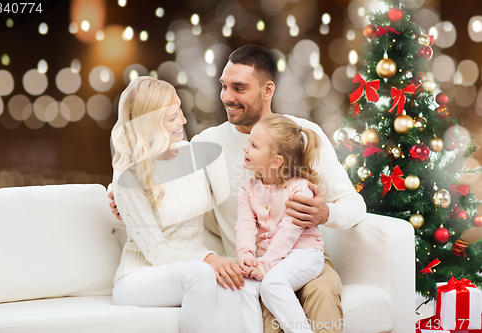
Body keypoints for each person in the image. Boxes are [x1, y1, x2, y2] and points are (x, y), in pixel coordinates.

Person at [110, 45, 366, 333]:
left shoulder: (303, 134)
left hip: (303, 256)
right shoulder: (206, 145)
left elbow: (354, 205)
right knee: (269, 312)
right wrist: (121, 193)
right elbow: (159, 173)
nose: (227, 97)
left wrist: (325, 212)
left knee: (322, 295)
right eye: (224, 86)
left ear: (267, 90)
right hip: (251, 267)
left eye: (239, 88)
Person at [109, 76, 244, 333]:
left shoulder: (190, 154)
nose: (183, 120)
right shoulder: (128, 175)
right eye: (172, 117)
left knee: (235, 280)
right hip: (140, 275)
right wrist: (208, 258)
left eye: (180, 110)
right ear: (149, 124)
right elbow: (156, 252)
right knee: (203, 274)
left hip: (192, 266)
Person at [237, 114, 325, 333]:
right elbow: (245, 225)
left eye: (254, 145)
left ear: (276, 161)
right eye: (249, 142)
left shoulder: (300, 187)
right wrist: (246, 256)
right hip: (272, 258)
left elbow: (288, 232)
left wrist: (265, 265)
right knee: (244, 285)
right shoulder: (246, 188)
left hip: (304, 253)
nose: (246, 148)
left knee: (272, 284)